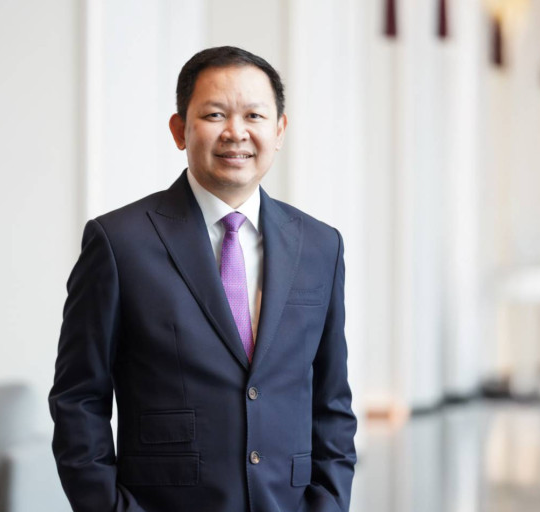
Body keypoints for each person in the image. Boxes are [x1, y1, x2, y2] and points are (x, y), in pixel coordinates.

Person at [49, 46, 357, 512]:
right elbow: (78, 398)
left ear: (279, 130)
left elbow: (332, 402)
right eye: (215, 114)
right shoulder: (119, 243)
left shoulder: (320, 246)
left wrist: (329, 502)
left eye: (254, 115)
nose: (236, 132)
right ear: (180, 130)